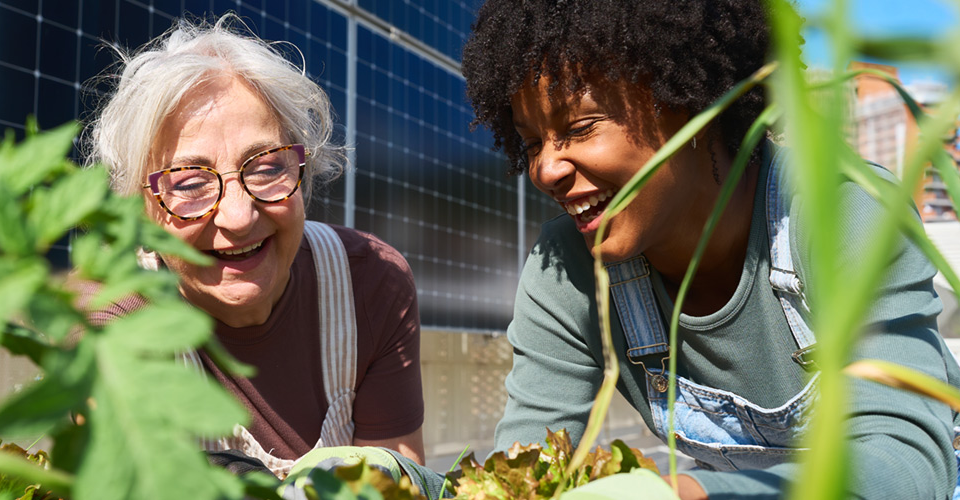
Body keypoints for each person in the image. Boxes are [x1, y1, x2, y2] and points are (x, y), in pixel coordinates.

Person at [462, 0, 960, 498]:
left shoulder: (841, 209)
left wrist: (696, 493)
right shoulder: (566, 268)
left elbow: (903, 462)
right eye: (532, 143)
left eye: (580, 127)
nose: (546, 171)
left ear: (694, 107)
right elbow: (523, 472)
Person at [82, 15, 425, 478]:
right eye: (189, 183)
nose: (239, 217)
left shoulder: (370, 282)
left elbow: (397, 482)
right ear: (140, 207)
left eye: (266, 168)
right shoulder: (111, 319)